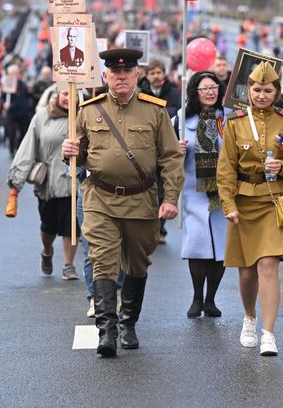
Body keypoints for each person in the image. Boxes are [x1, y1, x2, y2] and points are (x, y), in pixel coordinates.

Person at [61, 48, 184, 358]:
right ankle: (107, 330)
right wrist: (69, 152)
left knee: (137, 263)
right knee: (102, 260)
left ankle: (129, 322)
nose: (121, 77)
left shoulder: (155, 111)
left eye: (127, 72)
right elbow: (77, 158)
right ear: (106, 76)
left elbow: (170, 158)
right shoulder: (88, 110)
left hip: (141, 199)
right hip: (99, 197)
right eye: (115, 73)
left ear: (136, 75)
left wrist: (170, 198)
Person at [216, 61, 283, 357]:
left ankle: (269, 332)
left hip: (273, 198)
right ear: (248, 91)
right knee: (247, 272)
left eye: (268, 90)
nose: (262, 95)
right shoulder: (236, 122)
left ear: (277, 92)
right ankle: (249, 317)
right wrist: (228, 204)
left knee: (268, 265)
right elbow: (226, 168)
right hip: (243, 201)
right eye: (256, 89)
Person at [7, 89, 79, 281]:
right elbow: (27, 148)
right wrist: (16, 182)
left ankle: (68, 264)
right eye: (65, 93)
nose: (68, 98)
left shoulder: (85, 116)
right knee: (49, 226)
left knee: (72, 225)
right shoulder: (42, 117)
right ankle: (47, 251)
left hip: (74, 182)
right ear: (57, 95)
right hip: (48, 182)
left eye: (74, 94)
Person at [175, 71, 228, 318]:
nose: (210, 92)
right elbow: (168, 156)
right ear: (195, 92)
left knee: (219, 247)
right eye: (205, 88)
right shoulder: (181, 119)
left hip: (223, 191)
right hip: (194, 191)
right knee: (197, 245)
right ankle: (197, 297)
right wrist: (178, 150)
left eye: (214, 88)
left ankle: (211, 300)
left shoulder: (228, 119)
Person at [138, 59, 182, 244]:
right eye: (153, 73)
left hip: (165, 145)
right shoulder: (140, 92)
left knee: (164, 189)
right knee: (149, 187)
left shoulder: (174, 92)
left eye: (159, 72)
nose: (156, 76)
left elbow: (180, 114)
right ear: (147, 75)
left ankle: (160, 227)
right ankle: (149, 225)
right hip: (147, 146)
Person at [1, 65, 33, 158]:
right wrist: (4, 104)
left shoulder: (23, 84)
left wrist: (30, 91)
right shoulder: (7, 83)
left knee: (24, 131)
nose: (15, 75)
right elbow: (2, 98)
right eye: (13, 73)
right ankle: (11, 150)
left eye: (16, 73)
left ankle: (19, 148)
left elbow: (28, 96)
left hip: (22, 112)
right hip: (12, 113)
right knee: (12, 133)